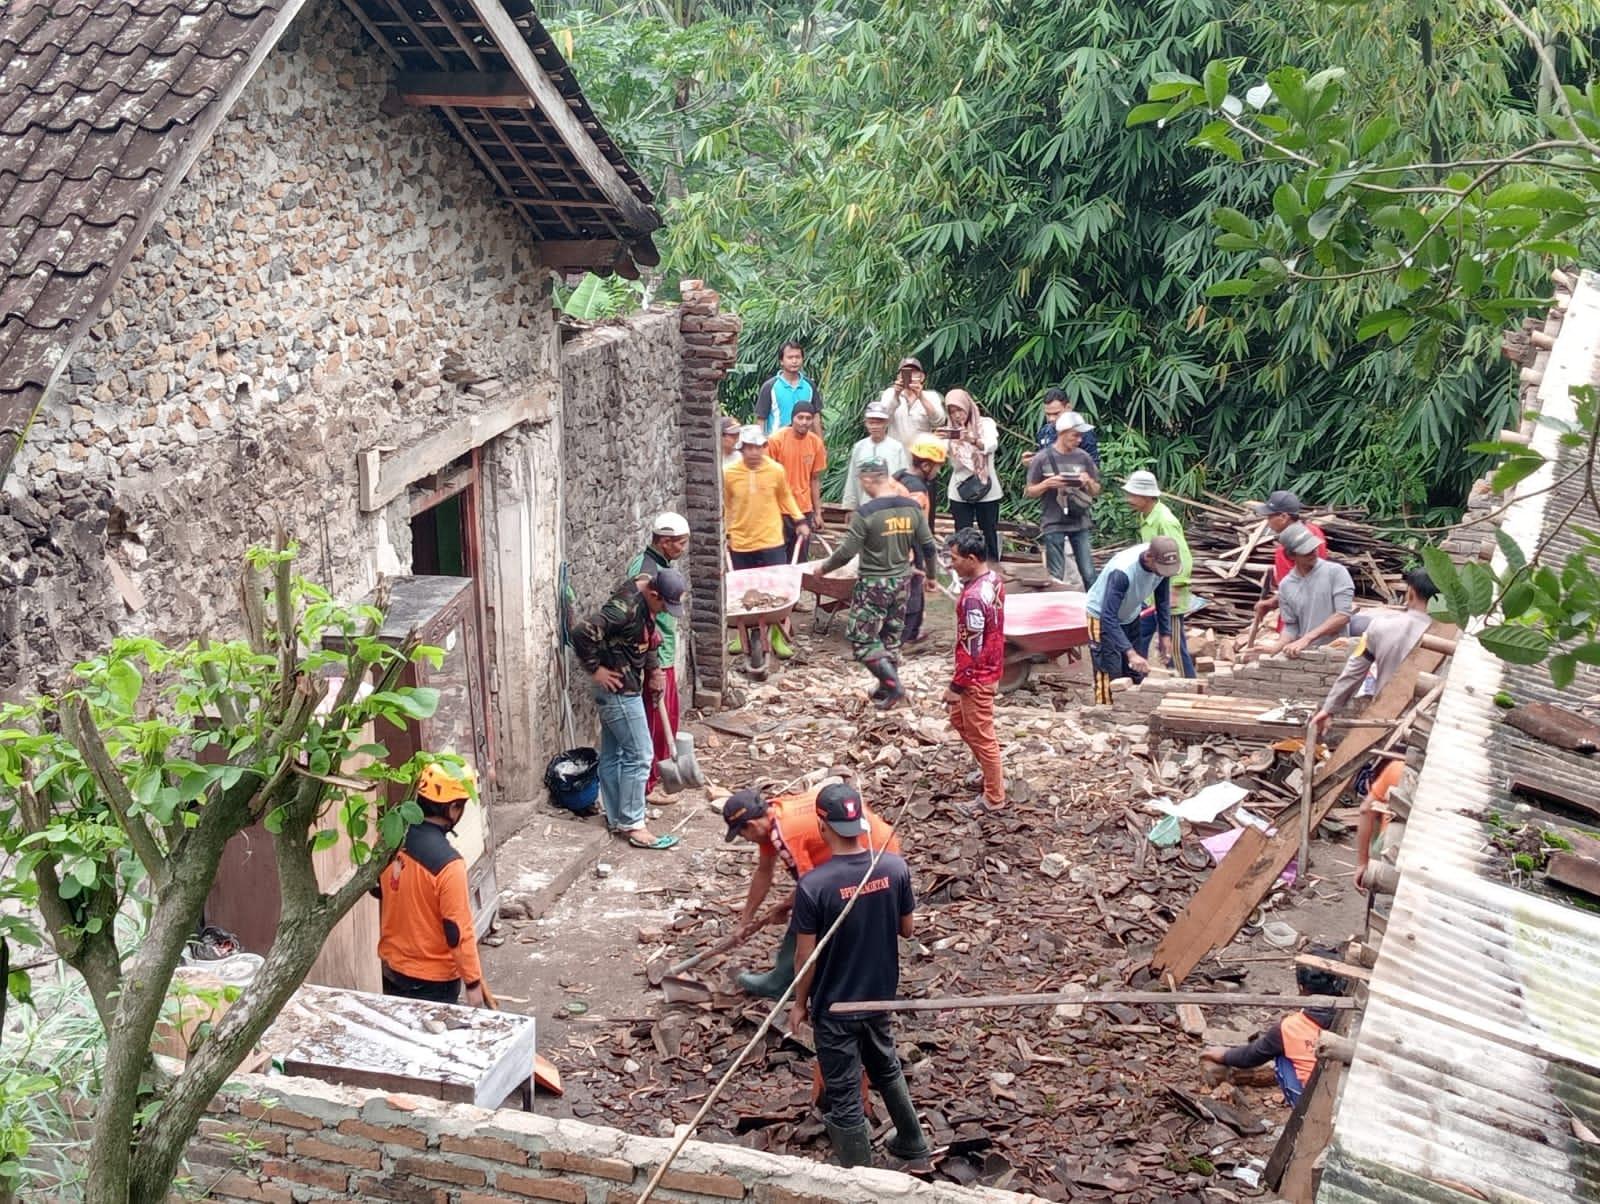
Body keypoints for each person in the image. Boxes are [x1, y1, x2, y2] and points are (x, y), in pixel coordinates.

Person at [788, 784, 931, 1171]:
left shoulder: (813, 886)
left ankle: (859, 1173)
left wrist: (800, 1005)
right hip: (879, 996)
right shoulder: (893, 867)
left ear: (823, 826)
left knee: (845, 1090)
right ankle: (914, 1142)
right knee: (885, 1064)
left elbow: (806, 955)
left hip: (836, 1005)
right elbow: (908, 930)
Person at [722, 783, 900, 998]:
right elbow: (764, 872)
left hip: (873, 857)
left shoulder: (786, 834)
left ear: (751, 825)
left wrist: (784, 907)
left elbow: (809, 890)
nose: (747, 840)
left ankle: (782, 981)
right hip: (875, 846)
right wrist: (745, 921)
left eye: (742, 835)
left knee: (808, 914)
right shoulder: (774, 813)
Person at [568, 569, 686, 851]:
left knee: (614, 753)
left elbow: (650, 634)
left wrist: (654, 668)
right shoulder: (624, 609)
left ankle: (616, 816)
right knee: (640, 755)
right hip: (620, 691)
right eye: (664, 605)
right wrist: (596, 670)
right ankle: (634, 824)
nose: (666, 611)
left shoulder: (645, 591)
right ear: (654, 594)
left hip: (625, 687)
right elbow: (581, 632)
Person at [813, 459, 938, 708]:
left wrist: (823, 568)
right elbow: (928, 545)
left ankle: (895, 688)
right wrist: (932, 576)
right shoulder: (911, 507)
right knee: (891, 637)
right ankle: (885, 688)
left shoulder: (867, 513)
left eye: (861, 481)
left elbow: (846, 552)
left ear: (869, 479)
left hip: (873, 583)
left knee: (862, 641)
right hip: (902, 581)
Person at [377, 761, 486, 1006]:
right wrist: (473, 983)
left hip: (392, 967)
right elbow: (457, 931)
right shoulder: (449, 866)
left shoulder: (390, 837)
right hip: (433, 981)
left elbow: (381, 890)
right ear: (453, 808)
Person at [1201, 951, 1346, 1106]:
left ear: (1301, 988)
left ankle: (1300, 1113)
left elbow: (1250, 1056)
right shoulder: (1351, 1013)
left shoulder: (1289, 1028)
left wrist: (1224, 1055)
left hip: (1317, 1105)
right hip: (1345, 1096)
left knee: (1282, 1056)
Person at [1312, 568, 1437, 733]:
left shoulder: (1379, 626)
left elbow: (1354, 669)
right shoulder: (1450, 637)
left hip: (1383, 720)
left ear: (1410, 594)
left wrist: (1329, 708)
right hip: (1427, 724)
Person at [626, 513, 690, 802]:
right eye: (681, 543)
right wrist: (655, 667)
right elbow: (643, 620)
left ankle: (657, 775)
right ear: (664, 542)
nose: (684, 548)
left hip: (662, 653)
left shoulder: (659, 564)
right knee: (655, 720)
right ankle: (649, 783)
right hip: (655, 657)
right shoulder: (646, 572)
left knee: (668, 717)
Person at [944, 528, 1006, 814]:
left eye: (954, 558)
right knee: (960, 719)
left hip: (976, 675)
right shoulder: (993, 579)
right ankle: (988, 771)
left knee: (982, 734)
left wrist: (956, 686)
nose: (950, 563)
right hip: (990, 667)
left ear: (971, 558)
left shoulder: (972, 599)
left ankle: (993, 797)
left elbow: (972, 649)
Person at [1084, 537, 1182, 705]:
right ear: (1149, 557)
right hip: (1101, 617)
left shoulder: (1162, 564)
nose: (1161, 574)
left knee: (1136, 671)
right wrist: (1130, 653)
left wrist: (1165, 634)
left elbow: (1162, 600)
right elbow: (1108, 617)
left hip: (1130, 614)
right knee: (1110, 671)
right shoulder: (1122, 571)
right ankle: (1105, 715)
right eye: (1159, 569)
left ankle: (1132, 709)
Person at [1121, 470, 1195, 676]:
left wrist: (1176, 588)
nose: (1129, 500)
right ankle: (1137, 677)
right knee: (1141, 634)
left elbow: (1183, 557)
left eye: (1133, 495)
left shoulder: (1165, 520)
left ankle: (1189, 684)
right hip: (1151, 592)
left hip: (1169, 593)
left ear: (1146, 496)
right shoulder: (1147, 517)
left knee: (1175, 644)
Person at [1024, 410, 1100, 588]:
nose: (1079, 440)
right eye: (1075, 435)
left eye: (1081, 436)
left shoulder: (1084, 457)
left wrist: (1087, 481)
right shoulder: (1042, 458)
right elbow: (1030, 491)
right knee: (1056, 575)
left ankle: (1093, 611)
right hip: (1053, 522)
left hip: (1079, 521)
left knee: (1089, 573)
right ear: (1062, 433)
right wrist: (1048, 484)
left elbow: (1096, 490)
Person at [890, 436, 946, 645]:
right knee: (911, 595)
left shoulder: (898, 477)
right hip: (907, 548)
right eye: (937, 467)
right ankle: (902, 641)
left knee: (909, 593)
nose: (938, 472)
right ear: (925, 465)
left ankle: (909, 635)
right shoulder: (918, 492)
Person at [1274, 522, 1354, 656]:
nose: (1313, 553)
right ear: (1291, 556)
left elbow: (1343, 615)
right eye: (1306, 551)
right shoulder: (1286, 585)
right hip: (1304, 655)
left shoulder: (1336, 572)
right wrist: (1276, 648)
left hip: (1335, 653)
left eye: (1314, 548)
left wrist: (1307, 638)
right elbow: (1291, 626)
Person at [942, 389, 1003, 562]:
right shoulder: (949, 431)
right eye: (952, 411)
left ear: (968, 406)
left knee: (988, 530)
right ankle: (964, 570)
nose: (957, 415)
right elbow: (941, 455)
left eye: (959, 409)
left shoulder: (985, 424)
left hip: (986, 485)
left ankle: (992, 566)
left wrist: (972, 440)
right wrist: (943, 440)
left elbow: (991, 445)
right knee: (962, 533)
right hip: (960, 488)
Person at [767, 403, 829, 559]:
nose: (804, 422)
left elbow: (814, 479)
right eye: (800, 417)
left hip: (803, 510)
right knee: (777, 559)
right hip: (779, 510)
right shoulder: (776, 440)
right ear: (792, 418)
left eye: (808, 418)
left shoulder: (816, 443)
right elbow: (766, 478)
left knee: (800, 558)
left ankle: (799, 584)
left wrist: (817, 513)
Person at [841, 401, 909, 510]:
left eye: (879, 422)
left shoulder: (896, 448)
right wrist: (850, 507)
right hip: (865, 505)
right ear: (866, 423)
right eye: (871, 422)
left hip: (890, 506)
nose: (875, 426)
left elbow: (903, 479)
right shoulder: (859, 447)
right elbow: (853, 478)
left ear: (886, 423)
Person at [756, 341, 821, 436]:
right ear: (781, 361)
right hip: (776, 444)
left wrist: (820, 445)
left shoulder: (810, 386)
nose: (794, 361)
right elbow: (761, 420)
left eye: (797, 357)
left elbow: (816, 417)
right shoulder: (770, 387)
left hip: (804, 443)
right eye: (790, 357)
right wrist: (760, 446)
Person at [880, 356, 945, 449]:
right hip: (896, 455)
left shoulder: (931, 396)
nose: (910, 375)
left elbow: (939, 421)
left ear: (922, 377)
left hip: (922, 455)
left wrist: (921, 397)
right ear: (899, 376)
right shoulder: (889, 393)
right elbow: (883, 420)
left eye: (914, 372)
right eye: (906, 372)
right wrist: (896, 395)